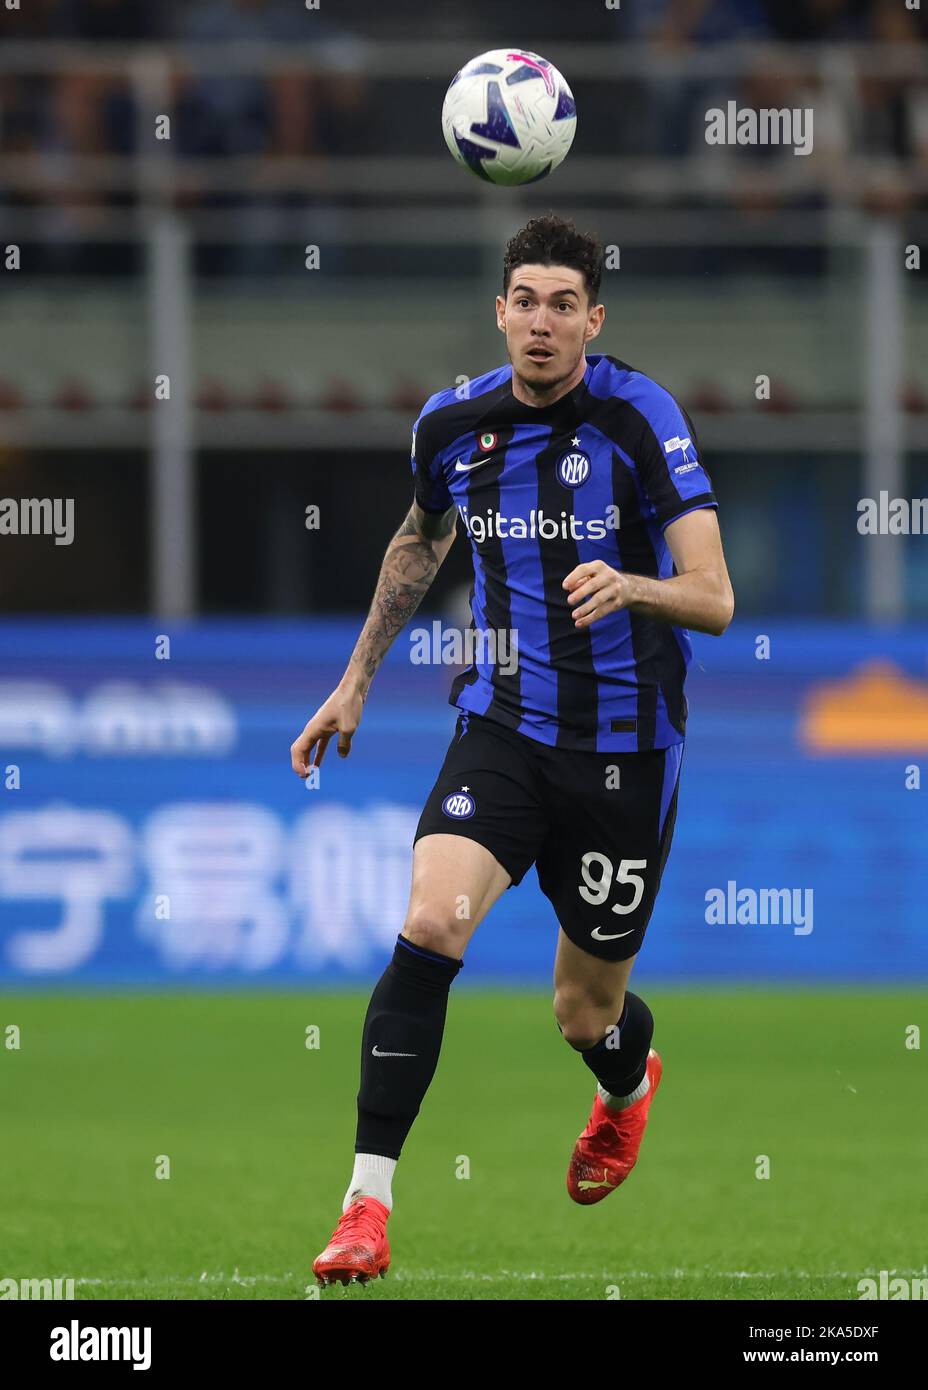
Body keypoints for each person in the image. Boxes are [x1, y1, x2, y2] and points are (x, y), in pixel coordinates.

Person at [290, 213, 735, 1286]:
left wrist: (632, 584)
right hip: (499, 725)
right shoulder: (451, 424)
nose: (541, 324)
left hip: (625, 752)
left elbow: (715, 598)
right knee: (431, 921)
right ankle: (365, 1206)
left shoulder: (637, 419)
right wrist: (355, 679)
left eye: (563, 305)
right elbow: (420, 536)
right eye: (524, 301)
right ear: (500, 311)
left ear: (594, 318)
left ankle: (626, 1088)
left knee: (584, 1011)